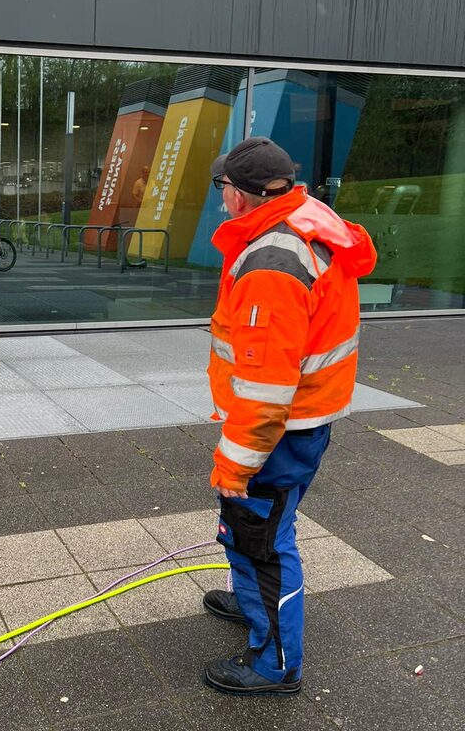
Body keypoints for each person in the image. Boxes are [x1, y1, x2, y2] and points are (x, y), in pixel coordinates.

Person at [202, 137, 376, 696]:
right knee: (259, 530)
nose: (220, 195)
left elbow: (265, 388)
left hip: (280, 427)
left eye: (222, 186)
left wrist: (233, 465)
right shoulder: (306, 219)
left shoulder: (271, 264)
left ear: (245, 195)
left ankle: (274, 663)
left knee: (262, 538)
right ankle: (249, 599)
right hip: (304, 419)